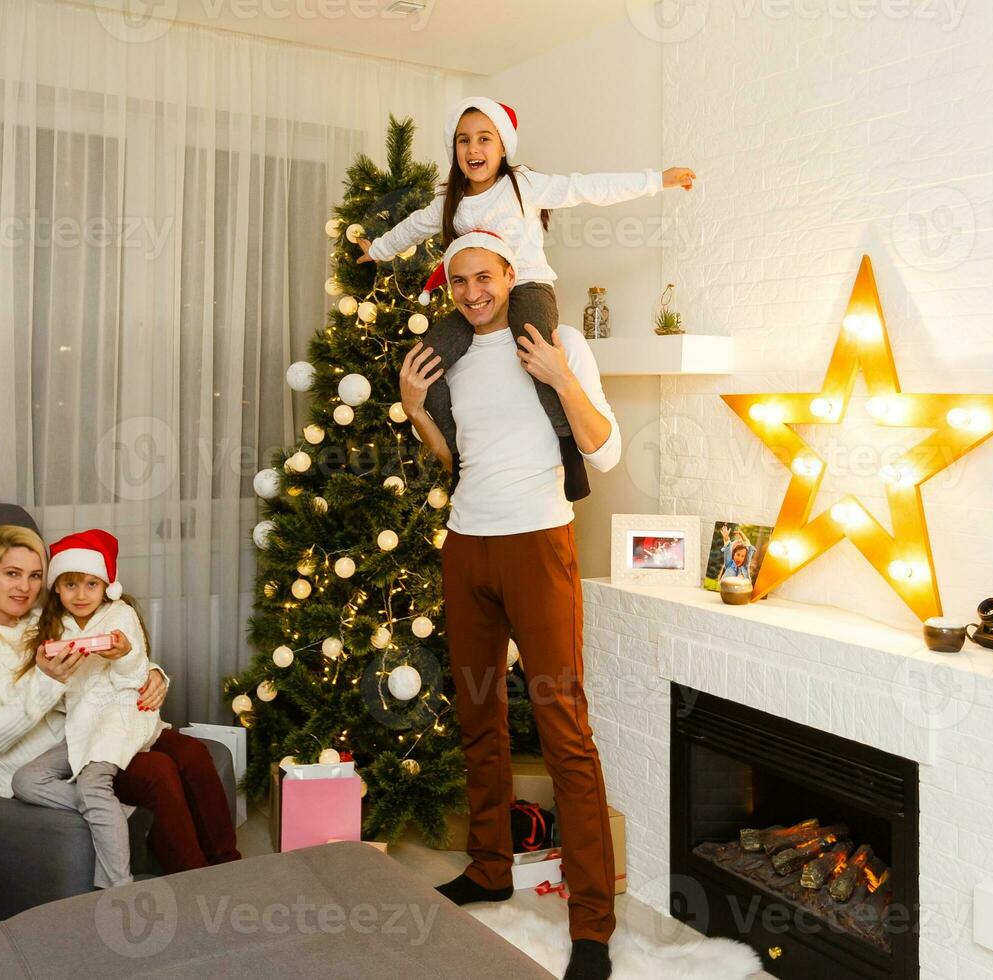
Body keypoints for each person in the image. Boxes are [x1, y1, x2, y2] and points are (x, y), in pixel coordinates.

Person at [399, 232, 621, 980]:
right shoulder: (453, 356)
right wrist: (416, 411)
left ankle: (592, 923)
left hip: (539, 543)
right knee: (477, 710)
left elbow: (604, 445)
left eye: (483, 278)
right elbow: (456, 461)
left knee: (564, 727)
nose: (471, 292)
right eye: (458, 282)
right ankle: (490, 866)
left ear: (509, 274)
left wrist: (561, 376)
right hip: (468, 542)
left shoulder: (552, 339)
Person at [360, 95, 694, 501]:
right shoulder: (450, 202)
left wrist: (657, 179)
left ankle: (568, 448)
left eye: (485, 138)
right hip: (480, 296)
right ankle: (460, 460)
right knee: (424, 363)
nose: (474, 149)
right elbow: (411, 228)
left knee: (535, 355)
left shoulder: (523, 186)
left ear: (503, 147)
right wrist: (377, 249)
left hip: (529, 288)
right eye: (464, 141)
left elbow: (586, 188)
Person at [0, 525, 239, 887]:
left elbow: (99, 664)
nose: (24, 588)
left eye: (34, 576)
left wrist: (154, 674)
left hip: (88, 734)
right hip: (49, 768)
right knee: (157, 771)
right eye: (12, 574)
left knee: (190, 752)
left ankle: (229, 867)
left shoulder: (39, 621)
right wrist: (49, 681)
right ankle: (194, 883)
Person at [7, 529, 169, 888]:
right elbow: (58, 697)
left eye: (91, 585)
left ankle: (116, 887)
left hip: (121, 714)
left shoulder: (121, 615)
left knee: (94, 786)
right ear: (57, 588)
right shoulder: (53, 627)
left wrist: (125, 656)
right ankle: (124, 815)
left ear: (106, 587)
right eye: (70, 585)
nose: (81, 595)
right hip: (81, 724)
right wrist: (49, 674)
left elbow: (135, 679)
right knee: (26, 780)